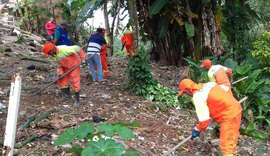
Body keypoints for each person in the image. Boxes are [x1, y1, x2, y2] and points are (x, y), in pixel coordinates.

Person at [178, 79, 242, 156]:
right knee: (231, 140)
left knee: (225, 147)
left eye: (184, 92)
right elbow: (226, 89)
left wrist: (197, 129)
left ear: (187, 89)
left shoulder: (198, 97)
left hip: (228, 115)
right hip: (235, 108)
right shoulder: (208, 84)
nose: (186, 94)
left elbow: (204, 121)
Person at [42, 42, 86, 106]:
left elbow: (77, 47)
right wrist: (60, 73)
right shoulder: (53, 55)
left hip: (74, 66)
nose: (49, 55)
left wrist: (83, 58)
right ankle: (66, 95)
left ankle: (77, 100)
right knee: (61, 80)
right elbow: (58, 65)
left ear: (52, 49)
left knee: (75, 81)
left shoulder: (64, 49)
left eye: (49, 53)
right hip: (64, 67)